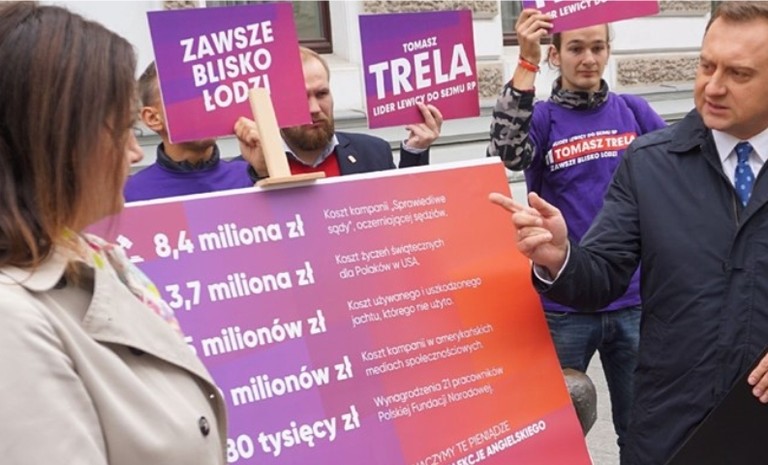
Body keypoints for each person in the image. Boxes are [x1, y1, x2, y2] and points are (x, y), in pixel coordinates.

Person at [490, 2, 768, 464]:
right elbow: (508, 153)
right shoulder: (646, 161)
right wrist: (560, 257)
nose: (713, 86)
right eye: (706, 66)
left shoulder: (632, 112)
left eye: (738, 74)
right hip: (666, 426)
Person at [0, 3, 226, 464]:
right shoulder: (12, 321)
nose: (135, 152)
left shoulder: (97, 259)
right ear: (56, 138)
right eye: (124, 128)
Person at [487, 10, 666, 459]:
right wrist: (525, 62)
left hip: (632, 300)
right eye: (576, 48)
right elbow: (506, 151)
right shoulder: (543, 119)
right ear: (556, 55)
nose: (588, 58)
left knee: (641, 430)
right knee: (556, 434)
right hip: (564, 307)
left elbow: (678, 172)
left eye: (597, 47)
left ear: (608, 52)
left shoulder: (634, 112)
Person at [235, 46, 444, 180]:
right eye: (300, 98)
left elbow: (404, 214)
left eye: (322, 94)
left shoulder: (373, 153)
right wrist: (263, 172)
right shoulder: (244, 169)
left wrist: (415, 150)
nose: (314, 108)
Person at [124, 61, 253, 202]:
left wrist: (264, 172)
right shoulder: (129, 195)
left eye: (209, 94)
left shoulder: (252, 176)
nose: (205, 105)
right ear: (153, 118)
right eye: (186, 97)